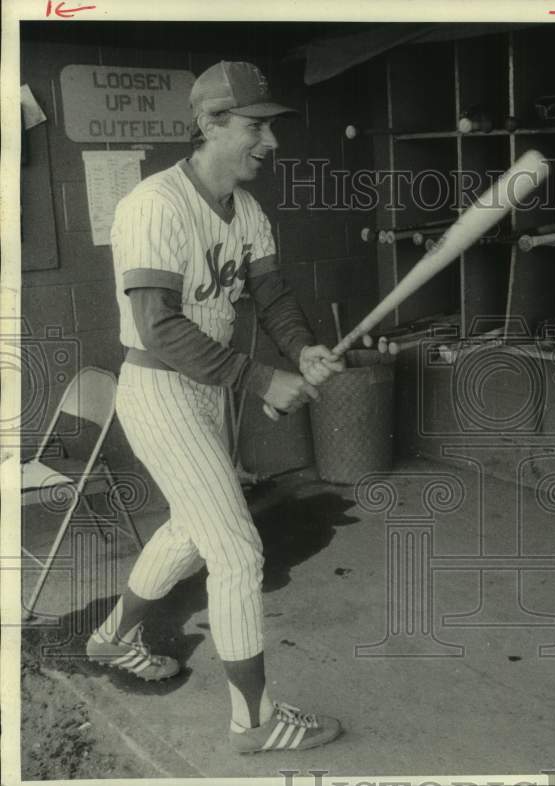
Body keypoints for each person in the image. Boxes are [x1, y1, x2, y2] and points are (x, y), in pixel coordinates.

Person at [86, 61, 345, 753]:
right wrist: (261, 381)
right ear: (210, 123)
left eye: (270, 126)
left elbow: (275, 299)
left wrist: (304, 352)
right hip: (159, 387)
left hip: (206, 390)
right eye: (256, 126)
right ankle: (254, 722)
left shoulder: (248, 210)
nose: (270, 142)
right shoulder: (155, 204)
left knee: (196, 530)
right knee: (235, 549)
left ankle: (112, 638)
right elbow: (158, 328)